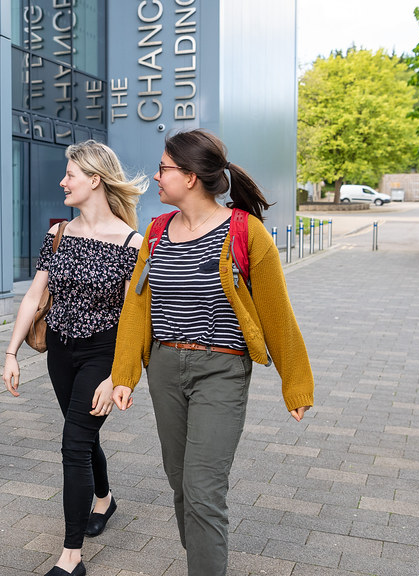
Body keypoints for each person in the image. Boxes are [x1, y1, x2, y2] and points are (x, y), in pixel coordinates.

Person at [108, 129, 314, 576]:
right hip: (164, 366)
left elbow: (277, 314)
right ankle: (203, 555)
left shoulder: (246, 232)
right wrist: (124, 373)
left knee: (203, 489)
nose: (156, 177)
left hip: (221, 369)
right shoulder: (157, 231)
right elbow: (137, 306)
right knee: (181, 483)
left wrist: (295, 383)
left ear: (190, 176)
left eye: (163, 168)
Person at [2, 140, 147, 576]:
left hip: (103, 351)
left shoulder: (131, 243)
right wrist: (11, 352)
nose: (62, 181)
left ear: (95, 180)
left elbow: (132, 321)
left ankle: (71, 557)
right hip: (60, 351)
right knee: (81, 436)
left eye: (70, 174)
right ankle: (104, 498)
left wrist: (116, 377)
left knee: (73, 444)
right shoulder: (58, 233)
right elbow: (34, 295)